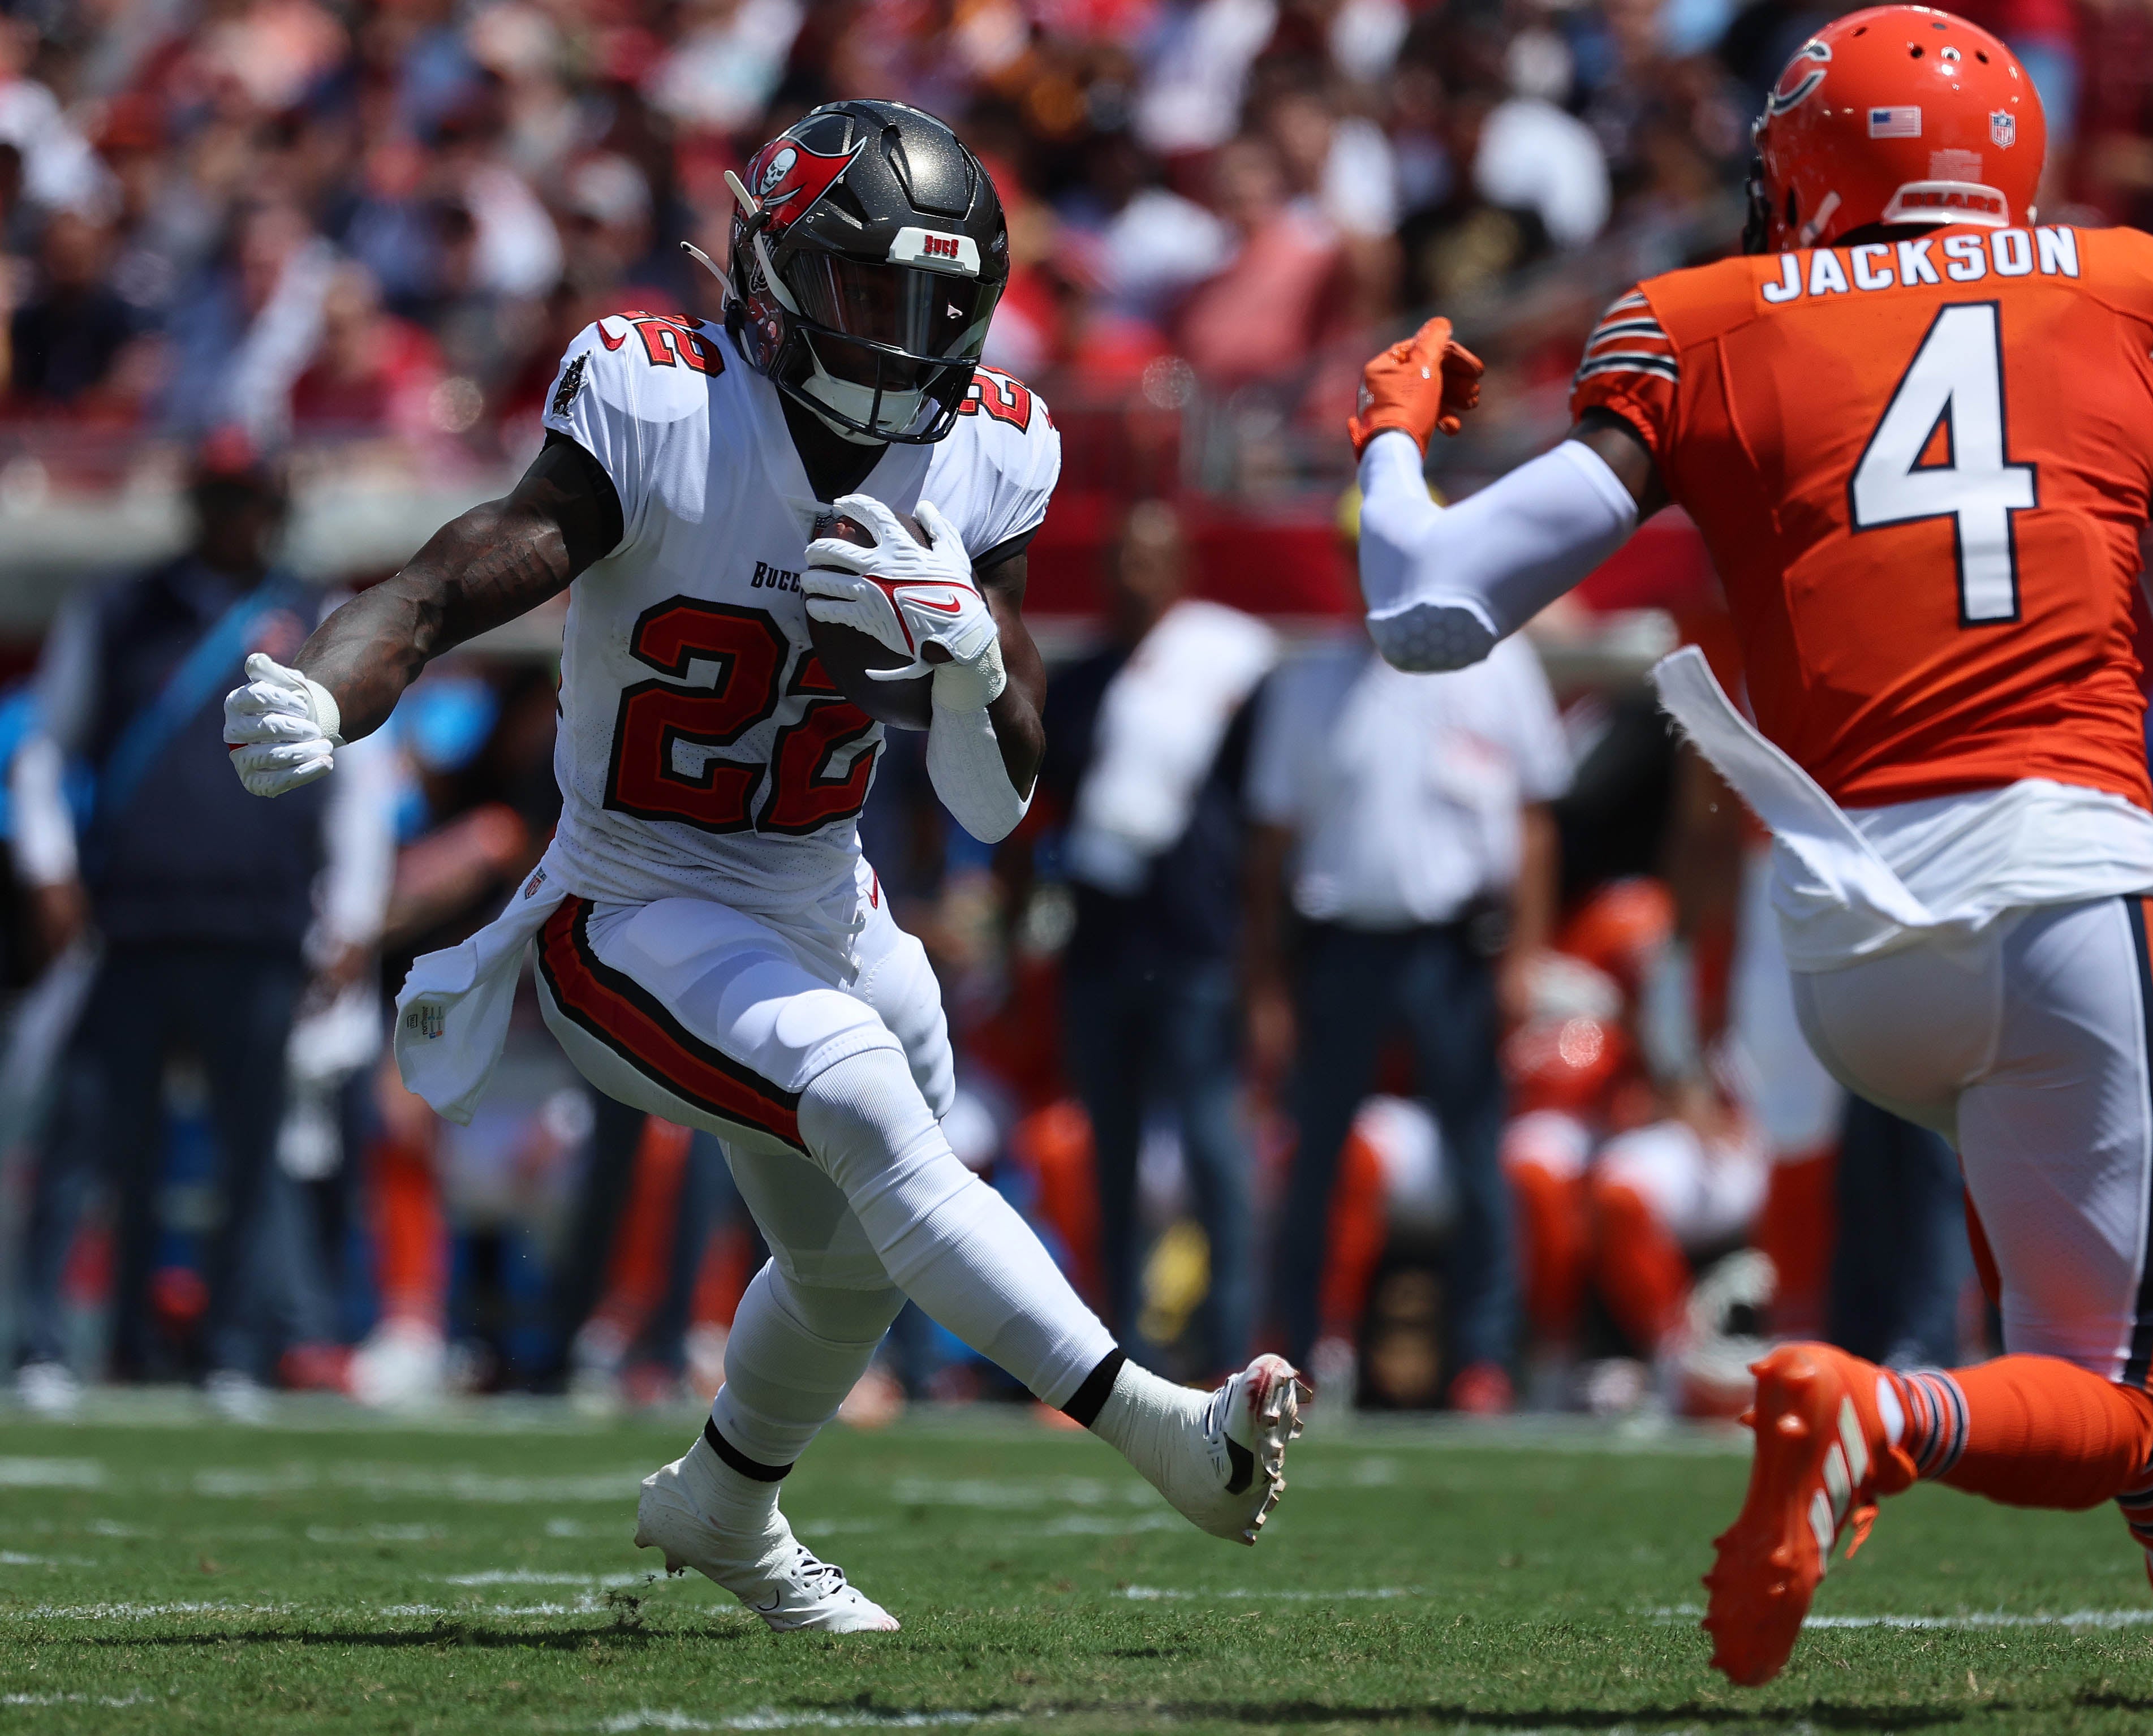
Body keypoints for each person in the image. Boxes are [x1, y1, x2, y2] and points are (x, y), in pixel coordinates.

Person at [1340, 5, 2153, 1690]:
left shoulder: (1703, 321)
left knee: (2118, 1412)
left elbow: (1425, 611)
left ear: (1809, 165)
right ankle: (1878, 1406)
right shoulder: (2129, 297)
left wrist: (1386, 430)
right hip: (2059, 897)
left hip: (1845, 941)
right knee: (2093, 1389)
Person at [222, 100, 1299, 1634]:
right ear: (776, 274)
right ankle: (1160, 1425)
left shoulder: (986, 447)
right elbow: (452, 575)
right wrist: (330, 687)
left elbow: (994, 801)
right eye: (871, 292)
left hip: (821, 889)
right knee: (864, 1101)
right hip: (631, 897)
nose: (906, 335)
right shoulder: (662, 403)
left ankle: (725, 1497)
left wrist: (965, 652)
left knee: (856, 1253)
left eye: (939, 302)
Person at [10, 434, 391, 1416]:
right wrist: (48, 869)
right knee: (90, 1141)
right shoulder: (122, 607)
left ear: (273, 504)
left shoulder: (317, 612)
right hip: (131, 922)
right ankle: (50, 1344)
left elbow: (362, 781)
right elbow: (48, 746)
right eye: (219, 496)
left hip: (261, 925)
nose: (234, 515)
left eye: (249, 496)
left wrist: (353, 915)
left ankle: (232, 1347)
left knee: (250, 1148)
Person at [1245, 512, 1570, 1414]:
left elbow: (1536, 821)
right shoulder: (1310, 680)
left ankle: (1484, 1359)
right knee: (1312, 1161)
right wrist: (1268, 980)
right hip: (1340, 944)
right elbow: (1270, 847)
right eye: (1363, 556)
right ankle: (1296, 1352)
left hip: (1455, 948)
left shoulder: (1497, 666)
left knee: (1476, 1158)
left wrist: (1528, 956)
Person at [1041, 499, 1274, 1375]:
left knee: (1216, 1149)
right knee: (1112, 1156)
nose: (1135, 577)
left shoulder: (1224, 670)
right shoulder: (1081, 684)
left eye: (1152, 560)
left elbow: (1258, 827)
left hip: (1195, 945)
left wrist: (1258, 959)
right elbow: (1045, 818)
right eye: (1123, 560)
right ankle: (1117, 1352)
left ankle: (1234, 1345)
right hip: (1103, 951)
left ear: (1180, 571)